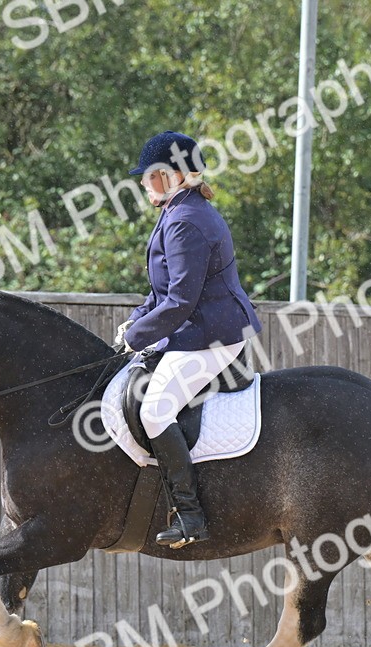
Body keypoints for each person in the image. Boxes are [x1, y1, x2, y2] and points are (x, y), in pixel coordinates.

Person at [114, 131, 262, 548]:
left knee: (155, 411)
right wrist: (134, 324)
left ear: (171, 176)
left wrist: (139, 337)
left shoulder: (185, 223)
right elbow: (161, 291)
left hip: (210, 337)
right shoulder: (180, 211)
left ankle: (190, 515)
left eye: (149, 177)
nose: (144, 185)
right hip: (199, 328)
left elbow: (180, 301)